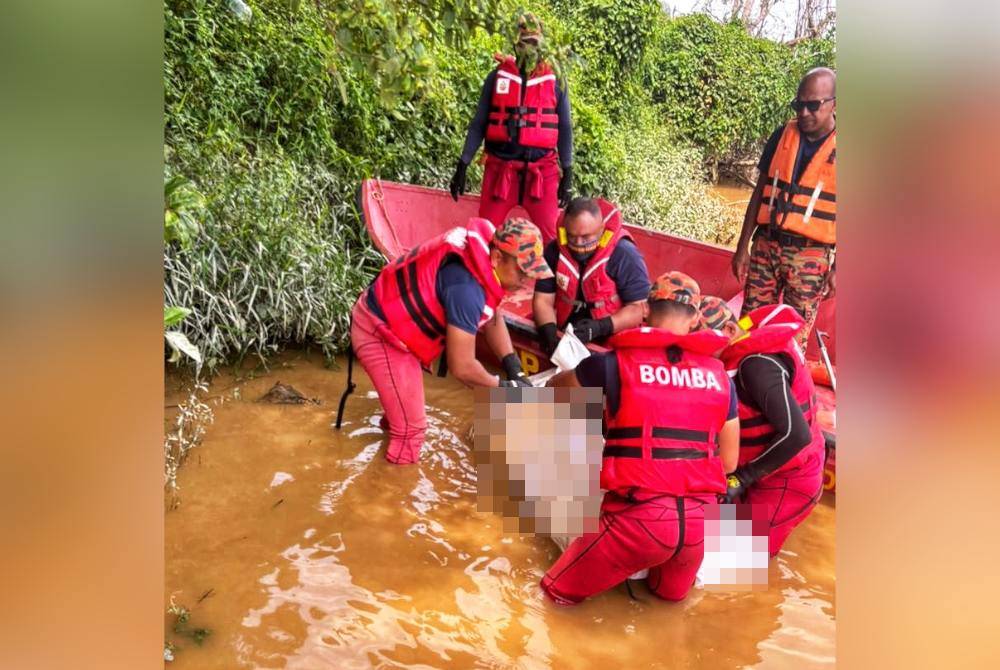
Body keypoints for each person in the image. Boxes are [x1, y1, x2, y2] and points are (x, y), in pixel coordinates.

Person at [539, 272, 740, 605]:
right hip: (698, 525)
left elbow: (553, 393)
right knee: (665, 604)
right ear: (694, 321)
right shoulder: (722, 379)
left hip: (641, 522)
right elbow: (729, 462)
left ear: (646, 310)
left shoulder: (611, 364)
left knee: (553, 595)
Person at [350, 217, 552, 465]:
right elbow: (463, 367)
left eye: (531, 273)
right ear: (498, 257)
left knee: (401, 415)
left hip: (396, 325)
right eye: (522, 271)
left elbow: (491, 317)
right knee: (411, 432)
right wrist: (505, 390)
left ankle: (389, 435)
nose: (526, 280)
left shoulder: (486, 262)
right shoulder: (466, 290)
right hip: (379, 332)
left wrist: (514, 368)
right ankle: (388, 496)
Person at [697, 296, 826, 556]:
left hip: (789, 479)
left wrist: (741, 479)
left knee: (731, 569)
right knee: (704, 541)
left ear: (730, 331)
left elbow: (797, 435)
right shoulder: (741, 344)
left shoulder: (756, 366)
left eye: (702, 345)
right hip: (758, 469)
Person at [731, 67, 837, 350]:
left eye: (812, 105)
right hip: (767, 245)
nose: (803, 113)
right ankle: (741, 379)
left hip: (811, 256)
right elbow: (759, 194)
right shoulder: (782, 136)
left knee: (793, 335)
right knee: (750, 324)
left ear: (834, 104)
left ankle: (781, 386)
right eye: (798, 105)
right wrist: (742, 248)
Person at [449, 12, 572, 242]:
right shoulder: (497, 77)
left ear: (541, 45)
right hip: (500, 171)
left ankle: (547, 278)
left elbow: (565, 128)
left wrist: (568, 171)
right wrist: (462, 164)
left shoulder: (555, 80)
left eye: (534, 43)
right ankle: (482, 277)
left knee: (550, 239)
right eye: (524, 43)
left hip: (541, 173)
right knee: (483, 235)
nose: (529, 49)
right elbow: (479, 123)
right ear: (515, 45)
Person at [532, 197, 650, 353]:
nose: (579, 243)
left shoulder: (625, 254)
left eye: (586, 237)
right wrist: (549, 332)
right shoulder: (555, 250)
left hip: (612, 333)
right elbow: (542, 299)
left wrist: (600, 327)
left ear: (602, 230)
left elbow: (639, 309)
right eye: (572, 236)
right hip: (567, 329)